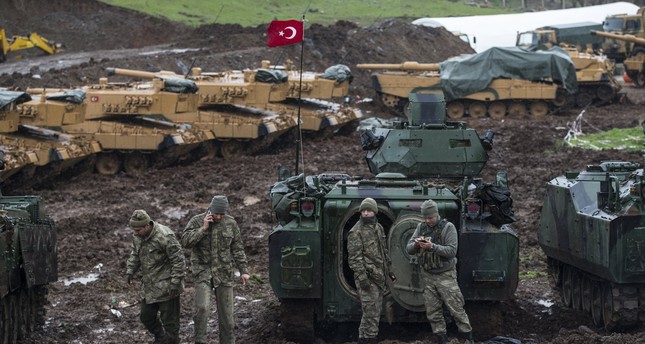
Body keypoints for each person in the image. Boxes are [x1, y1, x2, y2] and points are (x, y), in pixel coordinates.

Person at [181, 195, 250, 344]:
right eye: (216, 213)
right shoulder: (197, 220)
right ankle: (200, 341)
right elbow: (185, 242)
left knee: (227, 316)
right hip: (202, 271)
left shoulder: (231, 223)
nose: (218, 217)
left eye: (221, 214)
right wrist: (203, 228)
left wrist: (244, 270)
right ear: (210, 210)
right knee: (202, 308)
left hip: (224, 273)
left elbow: (237, 248)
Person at [406, 199, 474, 344]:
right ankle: (441, 339)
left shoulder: (448, 227)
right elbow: (409, 248)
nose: (428, 220)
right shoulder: (421, 227)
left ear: (436, 215)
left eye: (430, 217)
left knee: (456, 309)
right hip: (428, 275)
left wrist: (432, 247)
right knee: (433, 312)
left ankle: (468, 339)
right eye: (425, 217)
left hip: (445, 275)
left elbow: (451, 251)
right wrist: (417, 244)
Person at [125, 209, 185, 344]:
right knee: (146, 317)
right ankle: (160, 336)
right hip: (149, 287)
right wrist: (130, 271)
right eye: (134, 230)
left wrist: (175, 282)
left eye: (138, 230)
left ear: (147, 226)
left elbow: (178, 260)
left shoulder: (164, 236)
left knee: (170, 324)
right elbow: (135, 254)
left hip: (168, 287)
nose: (135, 233)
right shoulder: (138, 237)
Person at [347, 197, 391, 344]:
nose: (366, 213)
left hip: (379, 276)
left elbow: (383, 252)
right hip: (367, 277)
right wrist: (363, 279)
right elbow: (354, 259)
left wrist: (388, 271)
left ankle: (363, 339)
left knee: (373, 313)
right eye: (364, 210)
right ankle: (370, 339)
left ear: (374, 212)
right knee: (371, 313)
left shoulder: (378, 228)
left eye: (369, 210)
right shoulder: (356, 232)